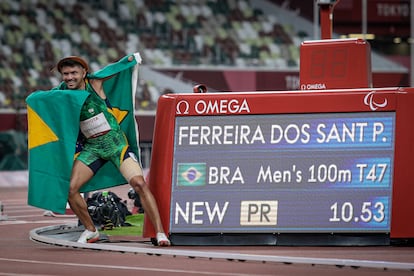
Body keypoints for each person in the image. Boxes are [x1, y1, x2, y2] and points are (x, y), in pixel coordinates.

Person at [54, 55, 170, 246]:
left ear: (84, 73)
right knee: (71, 189)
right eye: (65, 74)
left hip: (117, 145)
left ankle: (160, 233)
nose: (69, 77)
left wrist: (130, 60)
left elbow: (113, 71)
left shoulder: (95, 84)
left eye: (74, 72)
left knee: (140, 184)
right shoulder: (62, 93)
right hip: (93, 149)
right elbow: (46, 102)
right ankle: (91, 230)